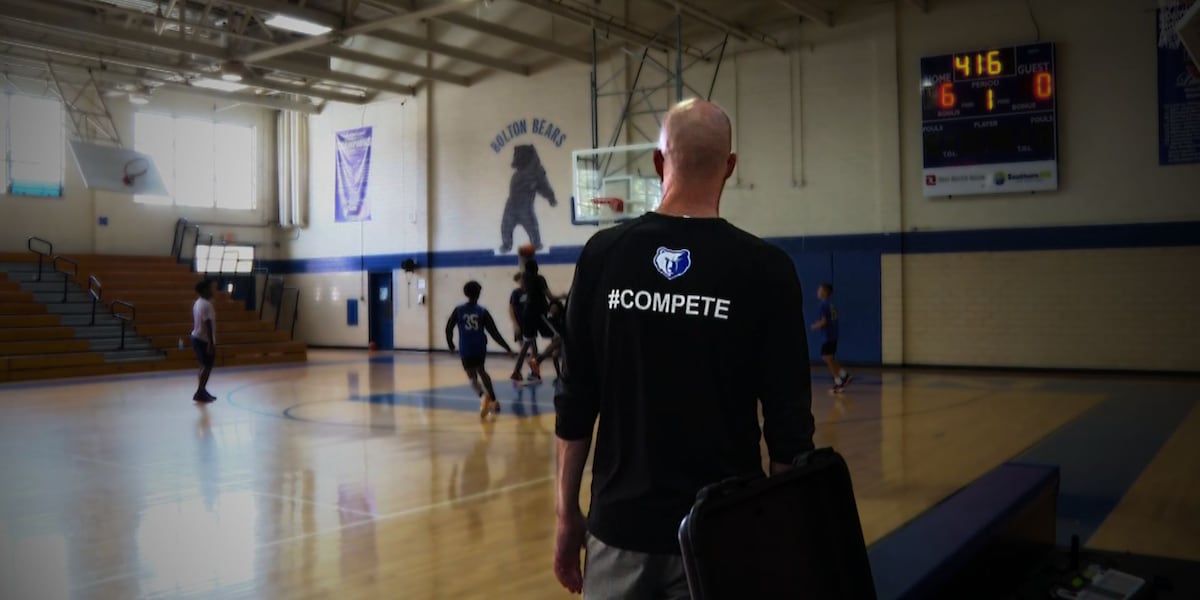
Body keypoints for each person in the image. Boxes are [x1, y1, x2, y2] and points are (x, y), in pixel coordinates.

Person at [553, 99, 815, 598]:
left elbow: (574, 403)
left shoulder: (603, 257)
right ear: (731, 168)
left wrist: (567, 514)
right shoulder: (767, 270)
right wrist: (782, 538)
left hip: (618, 531)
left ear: (657, 162)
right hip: (725, 530)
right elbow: (789, 425)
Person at [447, 280, 515, 417]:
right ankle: (494, 400)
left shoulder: (459, 310)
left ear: (466, 293)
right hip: (479, 346)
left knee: (471, 376)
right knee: (482, 371)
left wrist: (451, 344)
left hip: (465, 347)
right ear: (478, 294)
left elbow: (448, 328)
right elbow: (494, 333)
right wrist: (507, 347)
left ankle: (483, 396)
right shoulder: (482, 311)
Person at [512, 259, 555, 383]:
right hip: (539, 313)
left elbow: (520, 274)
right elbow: (550, 297)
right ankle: (537, 361)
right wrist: (562, 296)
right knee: (558, 337)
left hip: (527, 315)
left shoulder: (526, 279)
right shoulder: (539, 279)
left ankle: (517, 371)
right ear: (537, 268)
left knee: (527, 344)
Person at [811, 283, 853, 393]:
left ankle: (839, 382)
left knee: (827, 358)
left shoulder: (823, 305)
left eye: (819, 290)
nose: (818, 292)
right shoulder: (831, 304)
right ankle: (845, 375)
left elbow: (824, 321)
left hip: (828, 336)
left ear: (824, 292)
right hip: (834, 334)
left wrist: (816, 326)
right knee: (829, 357)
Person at [191, 279, 217, 403]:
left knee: (203, 366)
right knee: (207, 366)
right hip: (203, 339)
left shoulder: (198, 303)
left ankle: (202, 390)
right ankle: (200, 392)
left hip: (197, 338)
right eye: (210, 288)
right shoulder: (206, 305)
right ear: (204, 290)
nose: (212, 290)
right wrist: (211, 343)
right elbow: (207, 324)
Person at [528, 297, 566, 382]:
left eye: (555, 309)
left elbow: (563, 333)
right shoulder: (551, 319)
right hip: (559, 343)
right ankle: (558, 375)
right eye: (552, 309)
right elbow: (553, 333)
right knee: (555, 354)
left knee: (558, 342)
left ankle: (538, 360)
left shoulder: (564, 317)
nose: (553, 311)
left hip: (567, 342)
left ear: (559, 309)